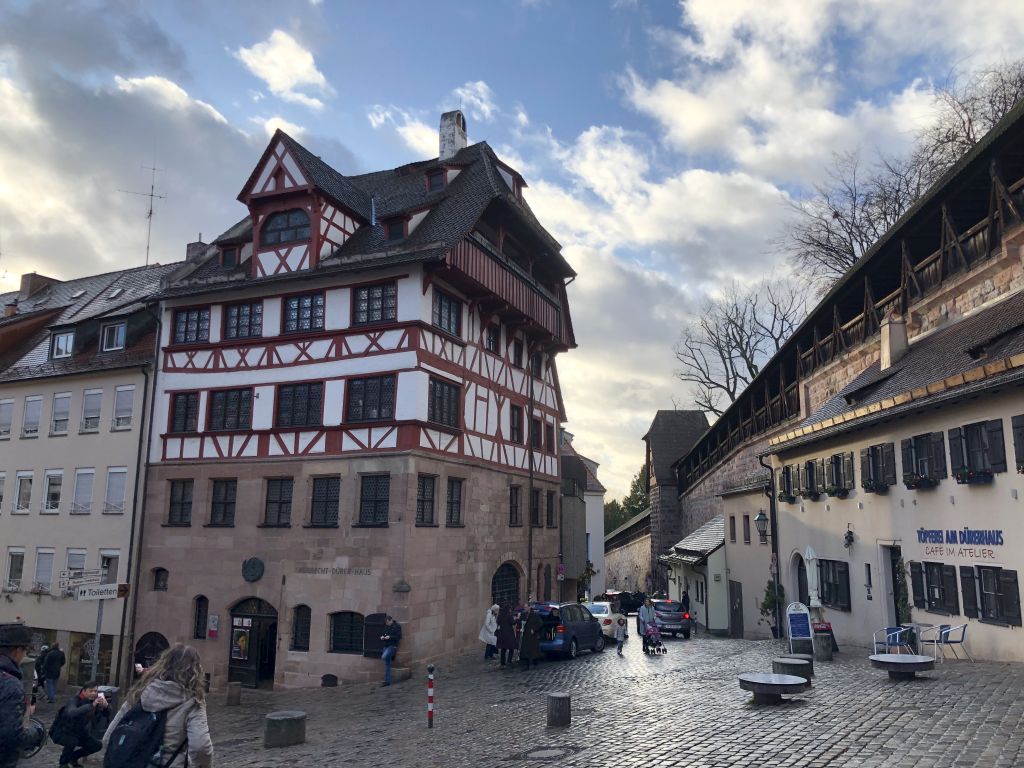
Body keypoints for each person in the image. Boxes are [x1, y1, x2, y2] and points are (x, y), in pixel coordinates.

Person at [104, 644, 213, 768]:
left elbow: (109, 737)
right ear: (196, 670)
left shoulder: (141, 690)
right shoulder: (194, 701)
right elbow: (201, 746)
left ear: (164, 663)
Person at [0, 623, 46, 768]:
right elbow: (11, 735)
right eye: (25, 650)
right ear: (17, 650)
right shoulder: (10, 684)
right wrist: (36, 734)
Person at [52, 680, 108, 768]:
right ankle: (63, 763)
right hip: (63, 730)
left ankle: (73, 757)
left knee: (96, 745)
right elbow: (71, 713)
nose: (93, 693)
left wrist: (105, 707)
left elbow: (104, 717)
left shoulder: (95, 701)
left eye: (95, 691)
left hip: (80, 731)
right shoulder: (74, 700)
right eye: (91, 691)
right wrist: (91, 706)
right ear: (84, 691)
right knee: (72, 741)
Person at [380, 616, 402, 687]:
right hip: (386, 646)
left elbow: (399, 636)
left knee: (383, 657)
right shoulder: (386, 626)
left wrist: (390, 637)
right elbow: (383, 633)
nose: (387, 624)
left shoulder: (397, 626)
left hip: (392, 646)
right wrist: (382, 637)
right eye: (386, 623)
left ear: (391, 620)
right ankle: (387, 681)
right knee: (387, 665)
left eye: (387, 622)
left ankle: (392, 655)